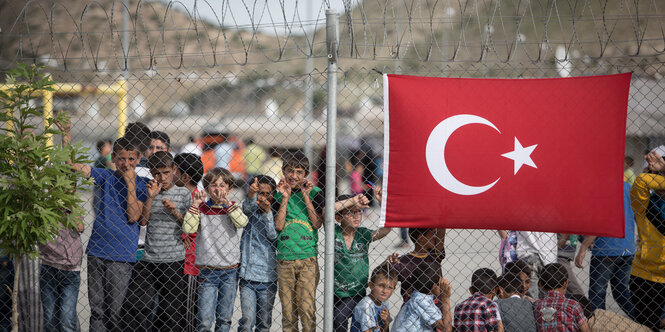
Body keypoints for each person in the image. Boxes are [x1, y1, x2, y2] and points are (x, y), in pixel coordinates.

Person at [64, 123, 149, 332]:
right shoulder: (106, 177)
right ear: (113, 158)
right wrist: (65, 134)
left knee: (116, 312)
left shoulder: (143, 184)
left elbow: (133, 217)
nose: (126, 163)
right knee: (98, 311)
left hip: (121, 256)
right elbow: (72, 165)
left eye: (131, 159)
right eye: (121, 158)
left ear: (138, 160)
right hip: (97, 252)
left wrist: (130, 183)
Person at [121, 151, 191, 331]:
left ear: (174, 170)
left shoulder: (183, 193)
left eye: (166, 172)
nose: (162, 177)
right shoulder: (148, 190)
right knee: (135, 306)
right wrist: (151, 197)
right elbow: (143, 221)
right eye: (157, 173)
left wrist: (175, 211)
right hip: (148, 258)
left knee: (171, 311)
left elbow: (190, 226)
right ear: (151, 172)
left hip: (173, 259)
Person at [183, 167, 248, 332]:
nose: (218, 189)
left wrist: (228, 204)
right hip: (207, 270)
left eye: (222, 185)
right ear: (206, 190)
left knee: (224, 319)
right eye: (213, 185)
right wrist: (195, 205)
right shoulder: (202, 209)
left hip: (230, 270)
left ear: (230, 189)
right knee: (204, 320)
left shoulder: (232, 207)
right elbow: (189, 228)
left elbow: (242, 223)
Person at [273, 153, 324, 332]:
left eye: (299, 172)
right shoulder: (278, 195)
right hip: (285, 259)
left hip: (308, 259)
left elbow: (317, 223)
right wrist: (285, 198)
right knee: (288, 311)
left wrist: (305, 195)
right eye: (290, 171)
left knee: (307, 308)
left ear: (306, 174)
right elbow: (278, 226)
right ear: (283, 171)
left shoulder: (316, 193)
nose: (294, 176)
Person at [574, 181, 635, 318]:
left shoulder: (601, 187)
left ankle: (600, 324)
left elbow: (599, 220)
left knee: (597, 293)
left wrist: (583, 247)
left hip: (606, 248)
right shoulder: (628, 187)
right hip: (627, 247)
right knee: (621, 291)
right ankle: (642, 319)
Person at [333, 189, 392, 332]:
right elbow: (327, 211)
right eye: (349, 212)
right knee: (336, 322)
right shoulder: (333, 231)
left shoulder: (363, 234)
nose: (356, 216)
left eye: (358, 211)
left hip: (356, 291)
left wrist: (381, 201)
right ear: (338, 218)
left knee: (340, 318)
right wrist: (353, 200)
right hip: (335, 291)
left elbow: (386, 229)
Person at [628, 150, 665, 331]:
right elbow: (641, 181)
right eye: (657, 176)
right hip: (646, 277)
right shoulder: (644, 203)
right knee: (647, 327)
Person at [238, 175, 279, 332]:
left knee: (264, 322)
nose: (263, 198)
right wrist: (250, 196)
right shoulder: (250, 211)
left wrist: (268, 212)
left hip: (267, 278)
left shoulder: (275, 213)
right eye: (259, 193)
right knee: (247, 320)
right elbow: (246, 209)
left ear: (273, 195)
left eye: (267, 194)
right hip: (247, 276)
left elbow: (274, 237)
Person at [173, 152, 204, 332]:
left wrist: (176, 214)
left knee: (187, 315)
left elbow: (192, 229)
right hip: (177, 261)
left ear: (184, 176)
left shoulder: (196, 198)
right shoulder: (179, 194)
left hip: (189, 264)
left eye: (174, 171)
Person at [392, 262, 453, 332]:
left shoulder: (417, 297)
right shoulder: (422, 301)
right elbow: (446, 328)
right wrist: (445, 299)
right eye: (440, 283)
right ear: (434, 286)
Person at [391, 227, 446, 303]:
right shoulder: (402, 261)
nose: (436, 237)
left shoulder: (434, 255)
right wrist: (388, 260)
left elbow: (441, 233)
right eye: (433, 234)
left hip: (435, 308)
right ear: (421, 238)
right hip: (412, 308)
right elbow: (382, 274)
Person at [498, 230, 556, 299]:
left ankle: (531, 307)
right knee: (547, 294)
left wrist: (508, 240)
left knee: (530, 294)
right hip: (548, 253)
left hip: (528, 250)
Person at [533, 263, 590, 332]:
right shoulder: (573, 305)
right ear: (566, 283)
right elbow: (585, 329)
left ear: (541, 285)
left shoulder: (536, 306)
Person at [349, 263, 398, 332]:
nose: (385, 291)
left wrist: (386, 323)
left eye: (389, 287)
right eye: (381, 286)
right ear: (371, 285)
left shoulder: (384, 303)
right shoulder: (366, 305)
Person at [453, 268, 504, 332]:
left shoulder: (458, 307)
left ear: (471, 290)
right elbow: (496, 329)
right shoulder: (489, 304)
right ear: (495, 290)